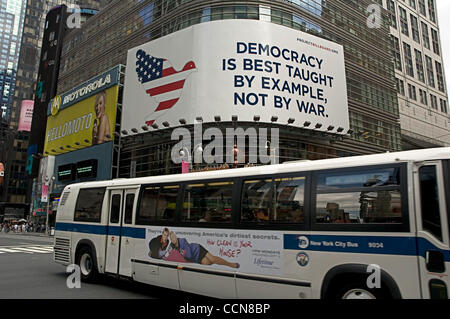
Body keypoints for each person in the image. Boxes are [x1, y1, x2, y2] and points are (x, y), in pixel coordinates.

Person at [149, 228, 239, 269]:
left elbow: (188, 254)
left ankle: (231, 264)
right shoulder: (170, 249)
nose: (172, 238)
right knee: (208, 263)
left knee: (212, 258)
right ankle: (226, 264)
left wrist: (179, 250)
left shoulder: (182, 241)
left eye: (173, 236)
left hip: (197, 249)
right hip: (195, 258)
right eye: (171, 237)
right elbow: (162, 255)